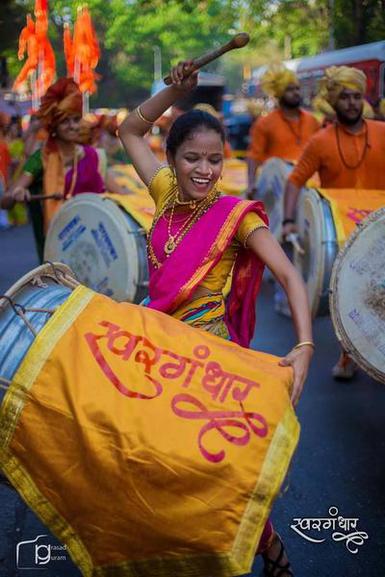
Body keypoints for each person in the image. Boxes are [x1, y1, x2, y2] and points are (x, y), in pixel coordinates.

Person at [119, 59, 314, 577]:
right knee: (144, 458)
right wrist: (172, 92)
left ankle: (266, 546)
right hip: (154, 351)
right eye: (192, 159)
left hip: (208, 361)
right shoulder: (163, 193)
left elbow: (291, 277)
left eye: (214, 160)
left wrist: (304, 345)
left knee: (215, 469)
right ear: (172, 159)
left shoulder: (235, 215)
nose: (204, 170)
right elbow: (130, 128)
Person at [283, 65, 385, 379]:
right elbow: (294, 181)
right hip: (341, 231)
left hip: (380, 228)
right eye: (345, 97)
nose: (352, 103)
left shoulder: (382, 132)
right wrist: (288, 219)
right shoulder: (321, 141)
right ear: (334, 102)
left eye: (357, 97)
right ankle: (348, 355)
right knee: (350, 295)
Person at [5, 78, 106, 262]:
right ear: (54, 125)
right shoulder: (40, 158)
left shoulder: (91, 155)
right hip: (53, 252)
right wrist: (17, 193)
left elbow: (108, 193)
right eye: (65, 121)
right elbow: (5, 201)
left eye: (76, 119)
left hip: (94, 248)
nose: (73, 126)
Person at [246, 65, 320, 198]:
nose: (296, 93)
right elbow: (253, 156)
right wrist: (251, 184)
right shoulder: (264, 123)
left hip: (310, 188)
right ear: (279, 93)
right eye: (290, 89)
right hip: (277, 189)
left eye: (297, 88)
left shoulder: (312, 121)